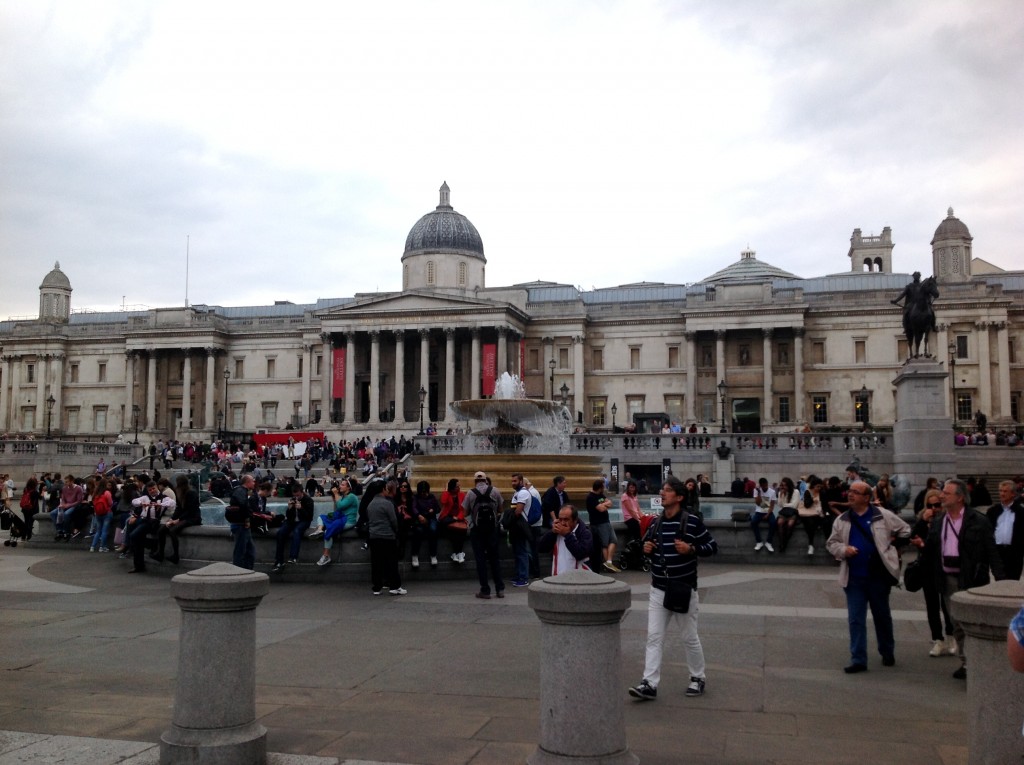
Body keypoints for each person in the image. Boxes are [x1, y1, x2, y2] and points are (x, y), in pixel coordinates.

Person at [628, 477, 718, 701]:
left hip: (683, 588)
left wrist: (691, 548)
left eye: (667, 490)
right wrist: (647, 549)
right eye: (663, 489)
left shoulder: (692, 522)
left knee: (689, 637)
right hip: (658, 588)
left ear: (679, 497)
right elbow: (647, 548)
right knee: (654, 637)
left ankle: (698, 677)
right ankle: (649, 683)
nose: (662, 492)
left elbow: (712, 546)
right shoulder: (656, 523)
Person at [917, 478, 1005, 680]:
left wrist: (1001, 581)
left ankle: (977, 662)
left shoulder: (978, 520)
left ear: (959, 497)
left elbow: (992, 551)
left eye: (946, 493)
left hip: (971, 579)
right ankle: (967, 662)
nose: (941, 496)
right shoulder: (939, 520)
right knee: (956, 622)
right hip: (947, 578)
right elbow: (930, 550)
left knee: (974, 622)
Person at [827, 480, 911, 673]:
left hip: (878, 577)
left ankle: (887, 651)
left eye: (855, 492)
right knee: (855, 619)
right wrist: (843, 550)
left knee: (882, 616)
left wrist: (893, 547)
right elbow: (831, 543)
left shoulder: (883, 516)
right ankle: (858, 658)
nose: (850, 495)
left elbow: (906, 530)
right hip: (854, 577)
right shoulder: (842, 520)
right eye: (850, 491)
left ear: (866, 497)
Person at [909, 488, 956, 657]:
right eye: (931, 505)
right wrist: (922, 521)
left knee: (947, 605)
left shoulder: (947, 520)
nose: (934, 508)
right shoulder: (923, 518)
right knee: (932, 605)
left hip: (944, 567)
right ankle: (938, 639)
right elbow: (913, 537)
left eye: (937, 504)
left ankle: (951, 636)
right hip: (927, 567)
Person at [463, 471, 505, 599]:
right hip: (492, 529)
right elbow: (500, 510)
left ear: (475, 481)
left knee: (480, 560)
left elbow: (465, 512)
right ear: (486, 479)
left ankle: (485, 590)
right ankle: (500, 589)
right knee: (494, 559)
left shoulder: (470, 493)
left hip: (477, 531)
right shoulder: (495, 491)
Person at [152, 475, 202, 564]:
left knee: (172, 530)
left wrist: (177, 520)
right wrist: (172, 518)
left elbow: (190, 511)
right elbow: (179, 508)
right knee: (161, 529)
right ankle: (160, 553)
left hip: (193, 518)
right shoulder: (180, 492)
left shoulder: (191, 493)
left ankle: (176, 556)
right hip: (185, 517)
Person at [128, 481, 175, 573]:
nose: (152, 491)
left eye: (153, 488)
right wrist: (141, 504)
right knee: (135, 536)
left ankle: (150, 545)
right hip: (143, 520)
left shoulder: (163, 498)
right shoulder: (145, 497)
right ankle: (138, 565)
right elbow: (134, 501)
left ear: (157, 487)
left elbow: (172, 503)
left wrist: (160, 505)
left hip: (153, 523)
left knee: (134, 536)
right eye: (150, 490)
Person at [368, 479, 405, 595]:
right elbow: (394, 521)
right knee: (391, 562)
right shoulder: (387, 504)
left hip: (374, 536)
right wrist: (396, 532)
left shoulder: (370, 504)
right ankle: (394, 586)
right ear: (383, 490)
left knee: (376, 563)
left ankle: (377, 587)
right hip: (388, 536)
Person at [315, 479, 359, 566]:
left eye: (342, 485)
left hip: (348, 521)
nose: (340, 486)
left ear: (349, 488)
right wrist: (334, 497)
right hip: (340, 518)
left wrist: (336, 494)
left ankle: (326, 555)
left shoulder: (352, 497)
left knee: (329, 530)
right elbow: (337, 509)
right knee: (321, 517)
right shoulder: (344, 496)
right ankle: (319, 530)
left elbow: (341, 506)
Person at [537, 504, 592, 573]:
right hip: (558, 576)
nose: (562, 523)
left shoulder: (585, 533)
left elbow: (580, 554)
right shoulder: (556, 532)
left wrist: (567, 535)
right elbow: (541, 548)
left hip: (578, 578)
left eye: (566, 519)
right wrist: (551, 533)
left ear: (575, 520)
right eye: (560, 519)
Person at [986, 480, 1024, 580]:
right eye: (1000, 491)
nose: (1002, 494)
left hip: (1014, 552)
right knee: (999, 579)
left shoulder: (1020, 512)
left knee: (1013, 581)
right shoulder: (993, 511)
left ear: (1013, 494)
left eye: (1005, 491)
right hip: (998, 552)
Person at [272, 484, 314, 572]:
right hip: (291, 521)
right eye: (294, 495)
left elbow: (309, 517)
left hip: (304, 521)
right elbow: (288, 516)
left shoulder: (309, 500)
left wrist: (301, 508)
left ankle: (293, 557)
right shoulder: (292, 500)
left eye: (298, 495)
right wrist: (289, 508)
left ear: (302, 492)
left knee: (297, 531)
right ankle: (279, 561)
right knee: (280, 533)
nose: (296, 497)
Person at [586, 478, 619, 572]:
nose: (604, 488)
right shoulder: (591, 497)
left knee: (614, 540)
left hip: (606, 521)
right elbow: (601, 509)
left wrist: (604, 505)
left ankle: (608, 561)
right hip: (598, 523)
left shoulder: (600, 495)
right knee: (605, 543)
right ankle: (607, 564)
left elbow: (610, 503)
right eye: (603, 487)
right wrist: (605, 505)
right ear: (599, 488)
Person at [409, 480, 441, 569]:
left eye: (425, 492)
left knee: (433, 530)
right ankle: (414, 555)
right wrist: (419, 515)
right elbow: (413, 507)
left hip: (431, 518)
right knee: (418, 531)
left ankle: (433, 555)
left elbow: (438, 508)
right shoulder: (415, 497)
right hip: (419, 519)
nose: (424, 494)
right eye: (422, 492)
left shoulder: (432, 497)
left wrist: (433, 510)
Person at [228, 474, 257, 570]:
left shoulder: (241, 491)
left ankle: (247, 571)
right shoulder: (241, 491)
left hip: (243, 524)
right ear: (247, 482)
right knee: (240, 551)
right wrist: (249, 515)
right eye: (252, 481)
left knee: (249, 551)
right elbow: (243, 505)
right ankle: (239, 572)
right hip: (240, 525)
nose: (254, 482)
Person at [508, 473, 533, 586]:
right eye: (512, 481)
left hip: (520, 526)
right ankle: (519, 575)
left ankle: (523, 577)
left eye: (515, 481)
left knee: (522, 552)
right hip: (516, 526)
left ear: (521, 481)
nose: (513, 483)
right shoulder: (517, 492)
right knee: (518, 552)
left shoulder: (522, 493)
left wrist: (508, 520)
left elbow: (518, 511)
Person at [438, 478, 467, 564]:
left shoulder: (462, 495)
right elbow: (443, 501)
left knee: (460, 531)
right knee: (453, 529)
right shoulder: (446, 494)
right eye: (457, 486)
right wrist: (447, 491)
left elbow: (463, 509)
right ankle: (459, 553)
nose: (459, 488)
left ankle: (457, 553)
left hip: (457, 518)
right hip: (447, 517)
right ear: (452, 487)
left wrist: (457, 518)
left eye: (459, 486)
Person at [798, 476, 825, 556]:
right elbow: (806, 505)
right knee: (809, 523)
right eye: (817, 486)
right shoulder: (808, 492)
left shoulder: (822, 493)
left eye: (820, 486)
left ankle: (811, 545)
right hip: (809, 512)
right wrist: (813, 499)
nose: (819, 488)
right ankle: (811, 544)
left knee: (819, 522)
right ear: (813, 485)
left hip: (818, 513)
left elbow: (824, 503)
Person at [51, 474, 84, 541]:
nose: (66, 483)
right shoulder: (64, 488)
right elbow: (63, 498)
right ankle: (59, 530)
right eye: (65, 481)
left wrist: (68, 505)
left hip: (74, 505)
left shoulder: (78, 488)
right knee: (53, 513)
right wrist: (62, 504)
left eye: (67, 481)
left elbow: (79, 501)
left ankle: (65, 531)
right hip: (65, 505)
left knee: (66, 514)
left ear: (72, 481)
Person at [750, 477, 777, 553]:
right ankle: (759, 542)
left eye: (766, 486)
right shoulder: (756, 490)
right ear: (761, 485)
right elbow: (758, 503)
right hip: (759, 512)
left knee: (773, 523)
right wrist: (759, 493)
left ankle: (769, 542)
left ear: (767, 484)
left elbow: (772, 506)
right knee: (753, 522)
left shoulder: (772, 492)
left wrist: (768, 515)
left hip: (768, 512)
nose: (765, 487)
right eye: (763, 486)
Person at [87, 478, 114, 553]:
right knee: (104, 531)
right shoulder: (107, 493)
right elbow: (110, 503)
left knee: (98, 531)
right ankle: (102, 547)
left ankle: (92, 546)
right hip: (107, 512)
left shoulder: (96, 492)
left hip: (98, 513)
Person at [775, 477, 800, 553]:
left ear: (789, 485)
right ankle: (782, 543)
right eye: (782, 485)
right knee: (779, 523)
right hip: (784, 512)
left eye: (785, 485)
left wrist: (786, 505)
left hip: (792, 512)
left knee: (790, 524)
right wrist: (782, 495)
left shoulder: (796, 492)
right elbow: (780, 505)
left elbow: (794, 505)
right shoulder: (781, 493)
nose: (784, 487)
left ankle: (784, 543)